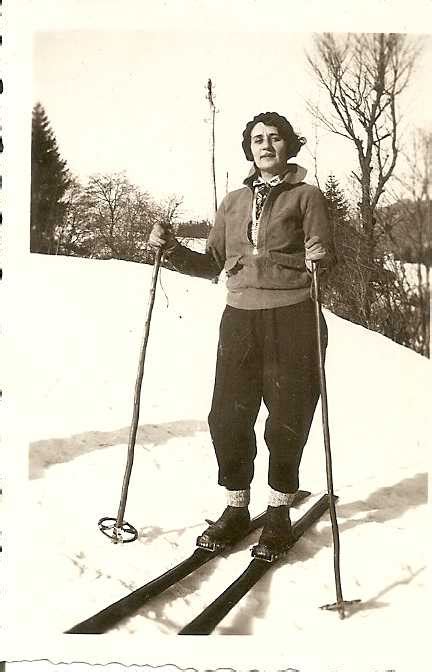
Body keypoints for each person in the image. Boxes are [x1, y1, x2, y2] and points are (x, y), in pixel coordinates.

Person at [149, 111, 335, 559]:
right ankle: (236, 508)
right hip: (239, 320)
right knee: (227, 417)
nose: (266, 145)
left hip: (293, 317)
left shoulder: (307, 196)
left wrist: (320, 255)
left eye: (275, 138)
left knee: (286, 417)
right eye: (257, 139)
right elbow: (211, 262)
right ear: (248, 148)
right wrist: (170, 249)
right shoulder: (232, 202)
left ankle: (278, 511)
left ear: (290, 146)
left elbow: (327, 259)